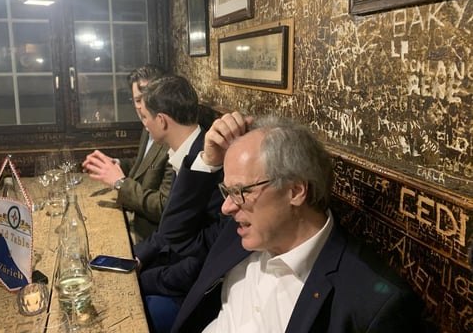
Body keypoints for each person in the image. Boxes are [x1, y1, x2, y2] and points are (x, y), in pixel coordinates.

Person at [161, 111, 432, 332]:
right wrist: (208, 160)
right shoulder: (240, 232)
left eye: (240, 192)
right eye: (227, 191)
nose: (227, 207)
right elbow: (175, 237)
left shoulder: (371, 303)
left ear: (295, 191)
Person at [132, 75, 224, 333]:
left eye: (145, 117)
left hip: (194, 291)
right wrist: (138, 257)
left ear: (161, 120)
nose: (144, 124)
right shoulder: (184, 149)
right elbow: (167, 230)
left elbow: (203, 253)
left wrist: (143, 279)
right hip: (172, 265)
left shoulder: (208, 160)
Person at [82, 66, 173, 244]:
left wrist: (119, 183)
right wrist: (114, 164)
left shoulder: (173, 136)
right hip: (133, 218)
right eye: (137, 100)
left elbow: (163, 207)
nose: (142, 106)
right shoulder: (147, 126)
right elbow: (144, 165)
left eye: (147, 98)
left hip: (151, 239)